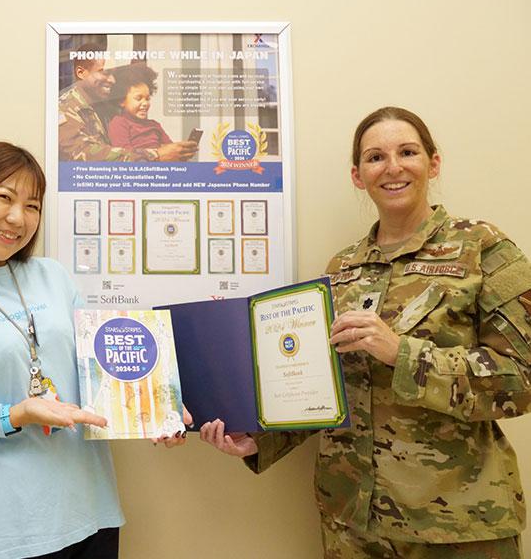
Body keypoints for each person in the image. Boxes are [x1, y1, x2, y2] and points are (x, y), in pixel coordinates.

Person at [199, 106, 531, 557]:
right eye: (375, 157)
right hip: (352, 522)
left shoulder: (482, 247)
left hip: (457, 525)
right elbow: (322, 387)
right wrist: (257, 438)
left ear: (433, 163)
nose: (392, 167)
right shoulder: (342, 269)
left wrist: (403, 354)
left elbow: (523, 378)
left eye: (407, 152)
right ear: (358, 176)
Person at [0, 141, 185, 559]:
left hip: (94, 512)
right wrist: (14, 415)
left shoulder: (53, 276)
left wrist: (155, 406)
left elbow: (97, 373)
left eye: (32, 205)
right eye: (4, 197)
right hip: (12, 533)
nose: (17, 218)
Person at [58, 42, 196, 162]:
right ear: (81, 73)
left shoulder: (103, 108)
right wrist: (156, 155)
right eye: (105, 72)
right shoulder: (64, 109)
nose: (112, 80)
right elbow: (86, 155)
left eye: (113, 74)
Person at [107, 64, 176, 154]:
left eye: (147, 99)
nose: (145, 103)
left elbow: (171, 148)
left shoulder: (154, 125)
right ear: (121, 101)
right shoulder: (119, 123)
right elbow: (124, 154)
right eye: (138, 98)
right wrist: (154, 154)